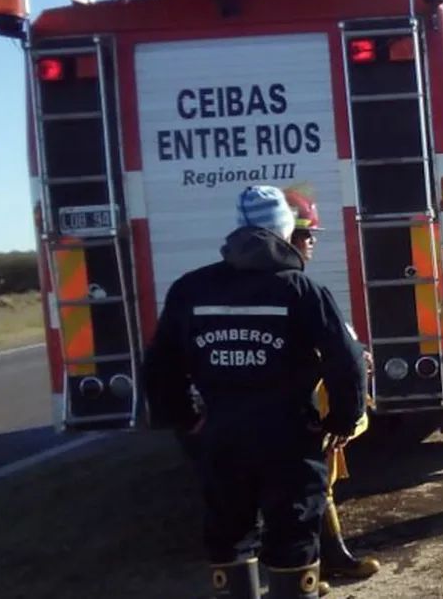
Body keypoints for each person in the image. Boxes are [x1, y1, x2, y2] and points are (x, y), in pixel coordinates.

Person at [143, 185, 367, 599]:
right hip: (288, 441)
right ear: (285, 232)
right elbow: (347, 360)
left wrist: (186, 419)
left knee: (229, 534)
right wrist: (341, 419)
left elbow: (158, 367)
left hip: (220, 437)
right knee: (293, 533)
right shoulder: (301, 291)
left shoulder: (190, 290)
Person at [285, 189, 381, 581]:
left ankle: (330, 560)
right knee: (295, 495)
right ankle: (301, 577)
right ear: (287, 237)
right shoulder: (297, 292)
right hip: (287, 417)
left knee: (317, 487)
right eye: (307, 234)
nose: (312, 243)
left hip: (299, 411)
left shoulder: (297, 288)